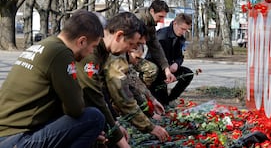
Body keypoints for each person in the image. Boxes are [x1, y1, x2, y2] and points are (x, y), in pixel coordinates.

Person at [0, 9, 105, 148]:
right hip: (18, 139)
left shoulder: (45, 45)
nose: (92, 52)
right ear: (82, 41)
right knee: (94, 117)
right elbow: (76, 108)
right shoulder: (61, 53)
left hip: (6, 134)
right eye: (93, 47)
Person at [76, 12, 168, 148]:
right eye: (132, 44)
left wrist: (115, 124)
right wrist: (121, 136)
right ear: (119, 35)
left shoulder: (105, 52)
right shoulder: (93, 53)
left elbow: (105, 92)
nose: (132, 49)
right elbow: (104, 95)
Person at [148, 13, 194, 106]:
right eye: (182, 29)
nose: (183, 32)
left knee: (188, 74)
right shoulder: (162, 36)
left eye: (186, 30)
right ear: (175, 24)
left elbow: (179, 56)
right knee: (162, 103)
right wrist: (167, 70)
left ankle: (171, 98)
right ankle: (164, 102)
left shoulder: (179, 38)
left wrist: (177, 63)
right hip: (156, 71)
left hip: (168, 68)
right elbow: (154, 57)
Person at [133, 0, 176, 84]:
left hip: (133, 57)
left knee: (152, 69)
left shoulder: (150, 24)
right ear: (152, 11)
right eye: (160, 16)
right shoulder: (136, 20)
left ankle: (141, 93)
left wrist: (166, 69)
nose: (161, 20)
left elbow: (156, 47)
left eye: (163, 17)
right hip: (122, 57)